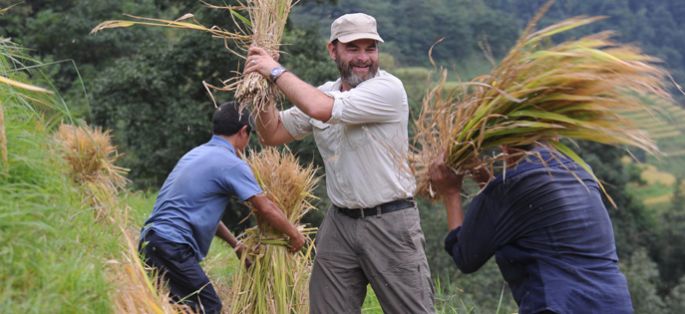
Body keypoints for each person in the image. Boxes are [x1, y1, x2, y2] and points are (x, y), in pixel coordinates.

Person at [243, 12, 435, 314]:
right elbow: (272, 133)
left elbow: (321, 109)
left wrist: (275, 70)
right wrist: (260, 85)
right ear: (332, 50)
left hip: (390, 221)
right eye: (353, 48)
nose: (364, 58)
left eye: (370, 48)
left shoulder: (388, 90)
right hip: (340, 222)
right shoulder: (325, 92)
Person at [138, 102, 306, 314]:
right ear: (244, 131)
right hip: (172, 245)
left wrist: (236, 245)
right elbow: (266, 208)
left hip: (151, 241)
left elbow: (202, 214)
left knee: (178, 308)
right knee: (209, 307)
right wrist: (294, 235)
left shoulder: (195, 154)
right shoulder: (231, 162)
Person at [429, 144, 634, 314]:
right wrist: (485, 178)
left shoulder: (510, 188)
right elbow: (523, 208)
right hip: (615, 304)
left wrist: (451, 193)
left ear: (504, 144)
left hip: (560, 306)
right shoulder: (581, 172)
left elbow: (465, 255)